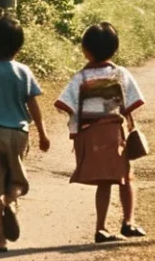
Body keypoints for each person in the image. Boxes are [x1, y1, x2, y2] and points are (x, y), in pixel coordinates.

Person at [55, 22, 147, 243]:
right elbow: (132, 103)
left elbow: (64, 104)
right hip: (115, 132)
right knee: (126, 176)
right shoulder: (119, 73)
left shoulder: (81, 78)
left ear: (85, 50)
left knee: (104, 183)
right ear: (115, 49)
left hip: (91, 134)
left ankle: (101, 227)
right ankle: (128, 222)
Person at [0, 17, 51, 253]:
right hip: (18, 132)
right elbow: (32, 103)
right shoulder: (24, 71)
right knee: (15, 178)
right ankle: (11, 201)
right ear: (19, 45)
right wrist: (43, 133)